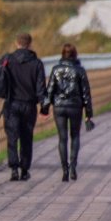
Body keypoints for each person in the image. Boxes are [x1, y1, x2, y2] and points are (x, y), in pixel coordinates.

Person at [0, 32, 47, 181]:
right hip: (29, 105)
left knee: (12, 136)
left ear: (16, 43)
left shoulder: (8, 60)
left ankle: (14, 169)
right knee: (26, 137)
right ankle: (24, 169)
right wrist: (44, 108)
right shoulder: (37, 63)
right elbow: (41, 88)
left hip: (11, 104)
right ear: (30, 44)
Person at [41, 43, 93, 182]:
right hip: (75, 106)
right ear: (75, 54)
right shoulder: (80, 70)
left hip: (59, 107)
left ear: (62, 54)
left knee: (62, 138)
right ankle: (73, 167)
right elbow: (86, 93)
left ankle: (64, 169)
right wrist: (88, 114)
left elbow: (50, 89)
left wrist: (45, 109)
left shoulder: (56, 69)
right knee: (75, 136)